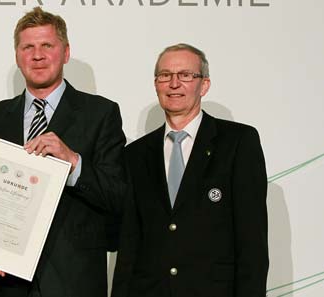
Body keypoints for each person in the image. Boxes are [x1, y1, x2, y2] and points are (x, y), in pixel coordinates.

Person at [0, 6, 126, 297]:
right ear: (17, 56)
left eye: (47, 45)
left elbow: (118, 196)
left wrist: (73, 162)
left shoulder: (101, 113)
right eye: (28, 47)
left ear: (65, 53)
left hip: (73, 282)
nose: (37, 55)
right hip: (5, 283)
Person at [111, 43, 269, 297]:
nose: (174, 83)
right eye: (165, 75)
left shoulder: (238, 142)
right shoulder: (135, 154)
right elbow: (129, 246)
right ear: (156, 84)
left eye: (186, 75)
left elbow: (252, 244)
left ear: (204, 85)